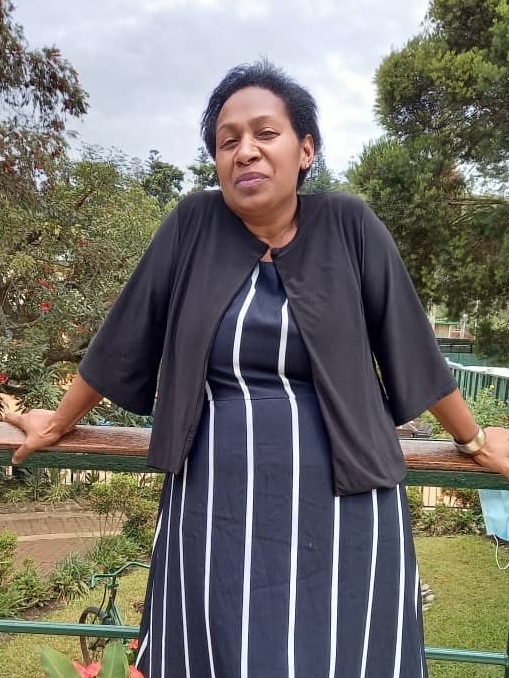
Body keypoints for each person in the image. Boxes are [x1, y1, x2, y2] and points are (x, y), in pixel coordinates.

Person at [4, 61, 509, 678]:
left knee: (342, 654)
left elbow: (412, 348)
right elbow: (123, 336)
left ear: (305, 150)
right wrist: (58, 422)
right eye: (228, 140)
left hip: (346, 501)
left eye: (265, 134)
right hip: (217, 498)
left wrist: (475, 440)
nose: (245, 151)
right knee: (220, 651)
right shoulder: (191, 224)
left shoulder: (351, 226)